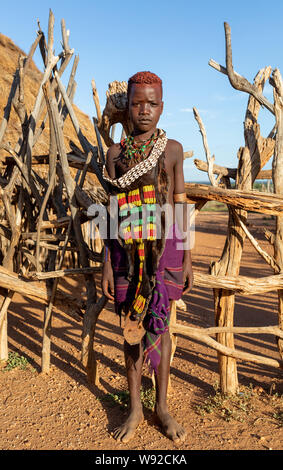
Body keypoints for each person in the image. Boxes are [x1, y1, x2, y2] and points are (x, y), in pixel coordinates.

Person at [101, 71, 193, 444]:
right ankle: (136, 407)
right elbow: (109, 212)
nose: (144, 110)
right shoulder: (114, 155)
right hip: (126, 250)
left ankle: (163, 407)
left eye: (152, 103)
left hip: (165, 247)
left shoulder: (171, 149)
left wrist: (186, 257)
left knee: (161, 326)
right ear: (126, 107)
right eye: (137, 103)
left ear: (162, 107)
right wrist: (107, 262)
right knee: (130, 326)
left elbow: (180, 202)